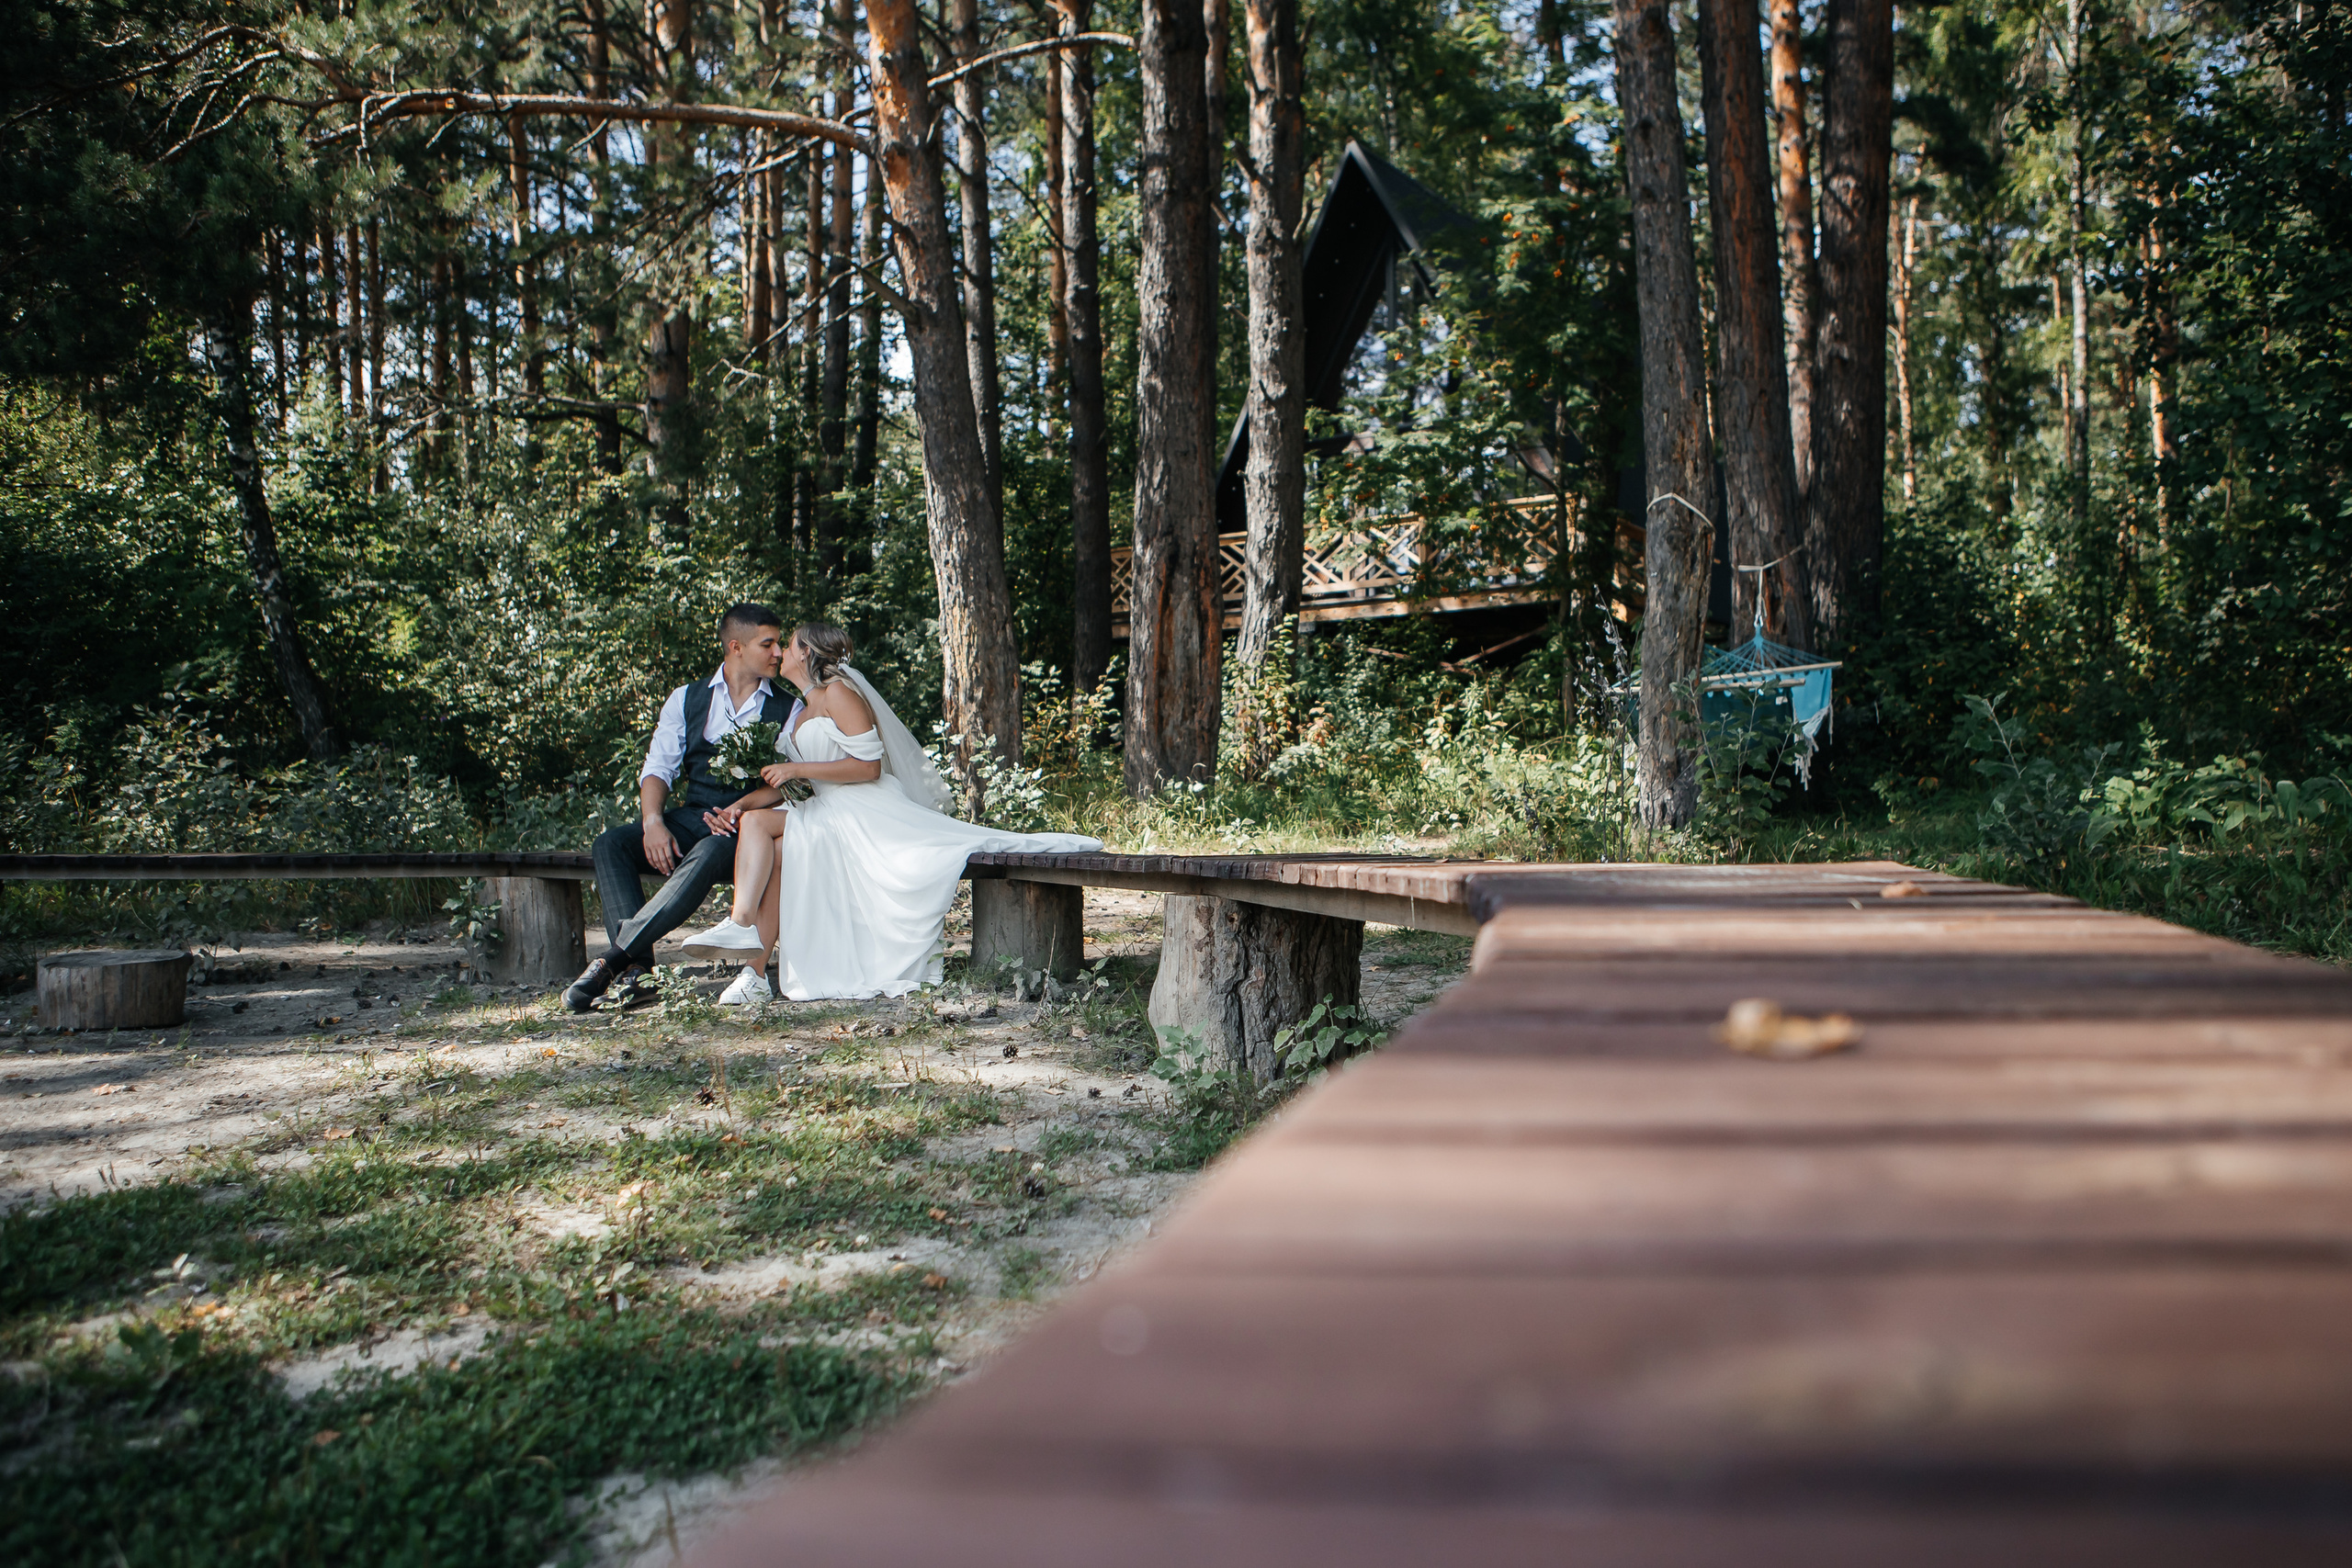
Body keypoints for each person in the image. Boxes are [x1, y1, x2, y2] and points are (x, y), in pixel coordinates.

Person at [677, 622, 1103, 1002]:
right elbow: (793, 784)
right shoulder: (803, 711)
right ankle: (750, 966)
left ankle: (743, 934)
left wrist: (797, 767)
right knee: (765, 837)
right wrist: (738, 804)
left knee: (760, 834)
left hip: (862, 810)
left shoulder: (838, 693)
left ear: (806, 652)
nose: (780, 654)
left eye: (787, 646)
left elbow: (868, 767)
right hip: (825, 808)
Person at [562, 604, 801, 1012]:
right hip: (693, 815)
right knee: (611, 844)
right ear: (736, 647)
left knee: (709, 850)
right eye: (769, 643)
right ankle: (639, 973)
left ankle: (613, 959)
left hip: (746, 830)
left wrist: (739, 810)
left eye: (779, 643)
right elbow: (659, 767)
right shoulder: (686, 698)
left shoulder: (788, 707)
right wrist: (653, 821)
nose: (779, 652)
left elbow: (788, 786)